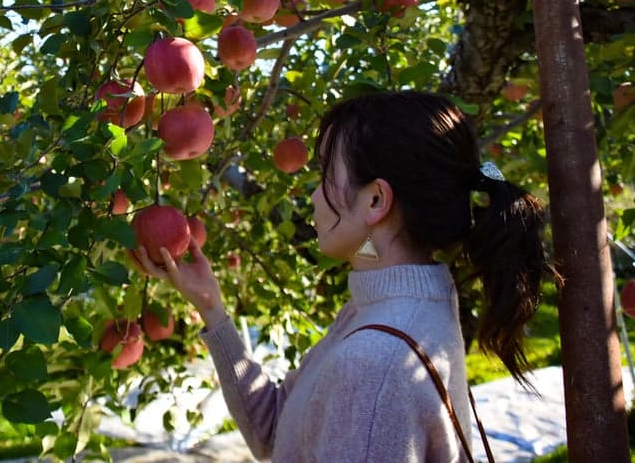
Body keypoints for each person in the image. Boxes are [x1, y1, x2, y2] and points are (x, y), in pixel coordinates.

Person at [135, 90, 551, 462]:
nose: (313, 196)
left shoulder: (373, 363)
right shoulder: (398, 308)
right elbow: (277, 435)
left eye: (323, 176)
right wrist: (212, 309)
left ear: (375, 199)